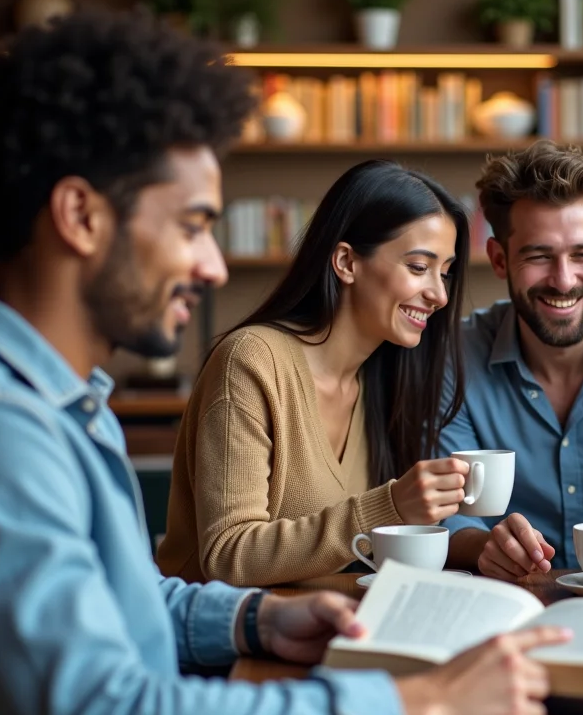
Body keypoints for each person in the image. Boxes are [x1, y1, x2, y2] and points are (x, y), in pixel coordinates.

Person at [0, 10, 569, 715]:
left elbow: (127, 601)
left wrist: (256, 622)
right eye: (192, 225)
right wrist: (416, 707)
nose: (215, 266)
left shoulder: (61, 406)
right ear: (80, 216)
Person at [157, 160, 474, 587]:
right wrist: (388, 506)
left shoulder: (381, 380)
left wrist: (480, 545)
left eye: (446, 272)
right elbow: (227, 556)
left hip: (324, 627)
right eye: (419, 267)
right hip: (223, 641)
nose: (438, 294)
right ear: (346, 262)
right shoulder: (252, 361)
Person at [438, 141, 583, 580]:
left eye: (582, 254)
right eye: (539, 256)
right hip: (514, 601)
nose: (564, 281)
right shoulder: (455, 358)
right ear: (500, 259)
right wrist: (487, 546)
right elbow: (451, 513)